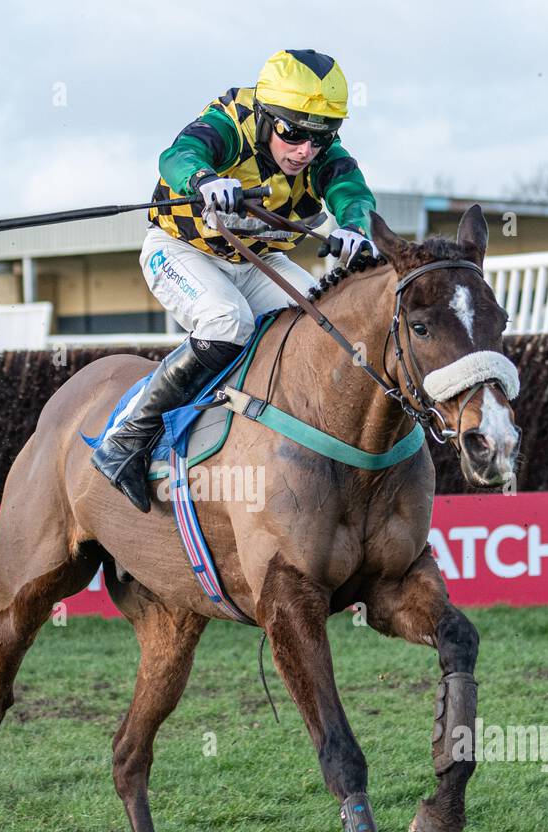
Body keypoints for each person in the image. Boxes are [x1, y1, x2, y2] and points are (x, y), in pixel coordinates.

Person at [90, 48, 378, 511]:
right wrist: (202, 178)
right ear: (265, 117)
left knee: (327, 324)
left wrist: (354, 227)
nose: (305, 150)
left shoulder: (320, 153)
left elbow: (351, 191)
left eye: (321, 138)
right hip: (182, 252)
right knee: (227, 322)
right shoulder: (230, 122)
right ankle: (127, 439)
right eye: (293, 133)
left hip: (255, 262)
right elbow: (178, 155)